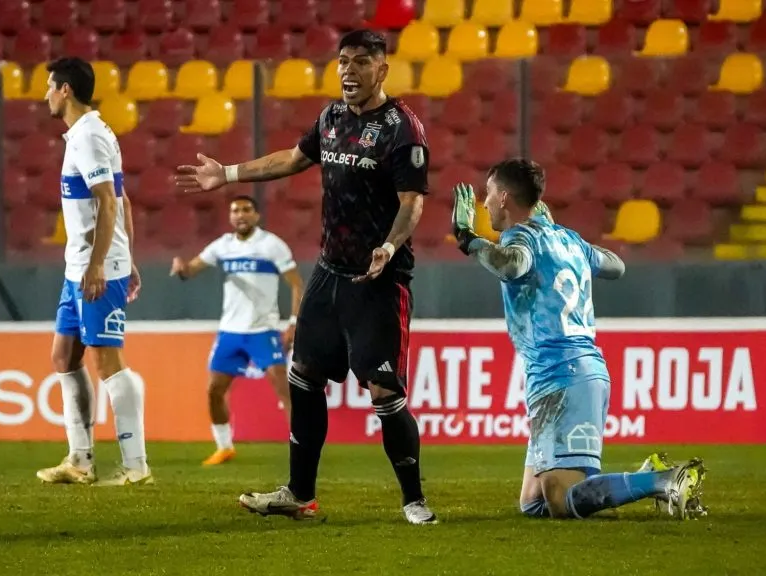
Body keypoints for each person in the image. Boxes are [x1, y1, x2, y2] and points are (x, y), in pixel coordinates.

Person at [175, 29, 437, 524]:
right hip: (328, 272)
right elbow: (293, 159)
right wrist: (227, 174)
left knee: (384, 392)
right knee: (304, 377)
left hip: (379, 280)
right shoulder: (330, 118)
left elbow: (412, 203)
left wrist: (387, 246)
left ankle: (413, 499)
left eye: (361, 62)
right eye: (343, 61)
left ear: (382, 69)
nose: (348, 71)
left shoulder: (403, 128)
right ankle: (300, 493)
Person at [450, 158, 707, 520]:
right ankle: (645, 475)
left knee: (560, 497)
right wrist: (568, 244)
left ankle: (665, 480)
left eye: (489, 194)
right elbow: (616, 266)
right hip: (566, 373)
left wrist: (469, 240)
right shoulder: (568, 239)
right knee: (534, 502)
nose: (485, 202)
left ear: (505, 197)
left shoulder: (520, 238)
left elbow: (512, 265)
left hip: (564, 374)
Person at [35, 57, 152, 487]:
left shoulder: (88, 137)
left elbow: (108, 201)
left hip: (94, 267)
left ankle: (137, 467)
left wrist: (105, 262)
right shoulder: (90, 133)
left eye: (50, 86)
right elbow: (122, 201)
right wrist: (128, 254)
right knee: (64, 357)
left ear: (65, 90)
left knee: (108, 362)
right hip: (79, 266)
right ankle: (80, 461)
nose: (45, 94)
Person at [170, 195, 303, 466]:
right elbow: (192, 269)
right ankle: (224, 446)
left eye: (246, 210)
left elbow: (297, 285)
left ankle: (302, 447)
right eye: (235, 211)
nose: (240, 215)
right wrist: (181, 269)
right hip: (229, 331)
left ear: (256, 216)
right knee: (214, 390)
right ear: (230, 218)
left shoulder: (271, 245)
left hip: (263, 330)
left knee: (284, 391)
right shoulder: (223, 246)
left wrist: (293, 322)